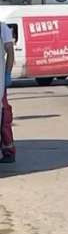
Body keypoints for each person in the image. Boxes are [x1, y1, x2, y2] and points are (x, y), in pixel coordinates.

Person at [1, 23, 15, 163]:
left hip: (0, 81)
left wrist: (7, 74)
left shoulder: (2, 28)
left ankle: (9, 150)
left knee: (4, 114)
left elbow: (10, 52)